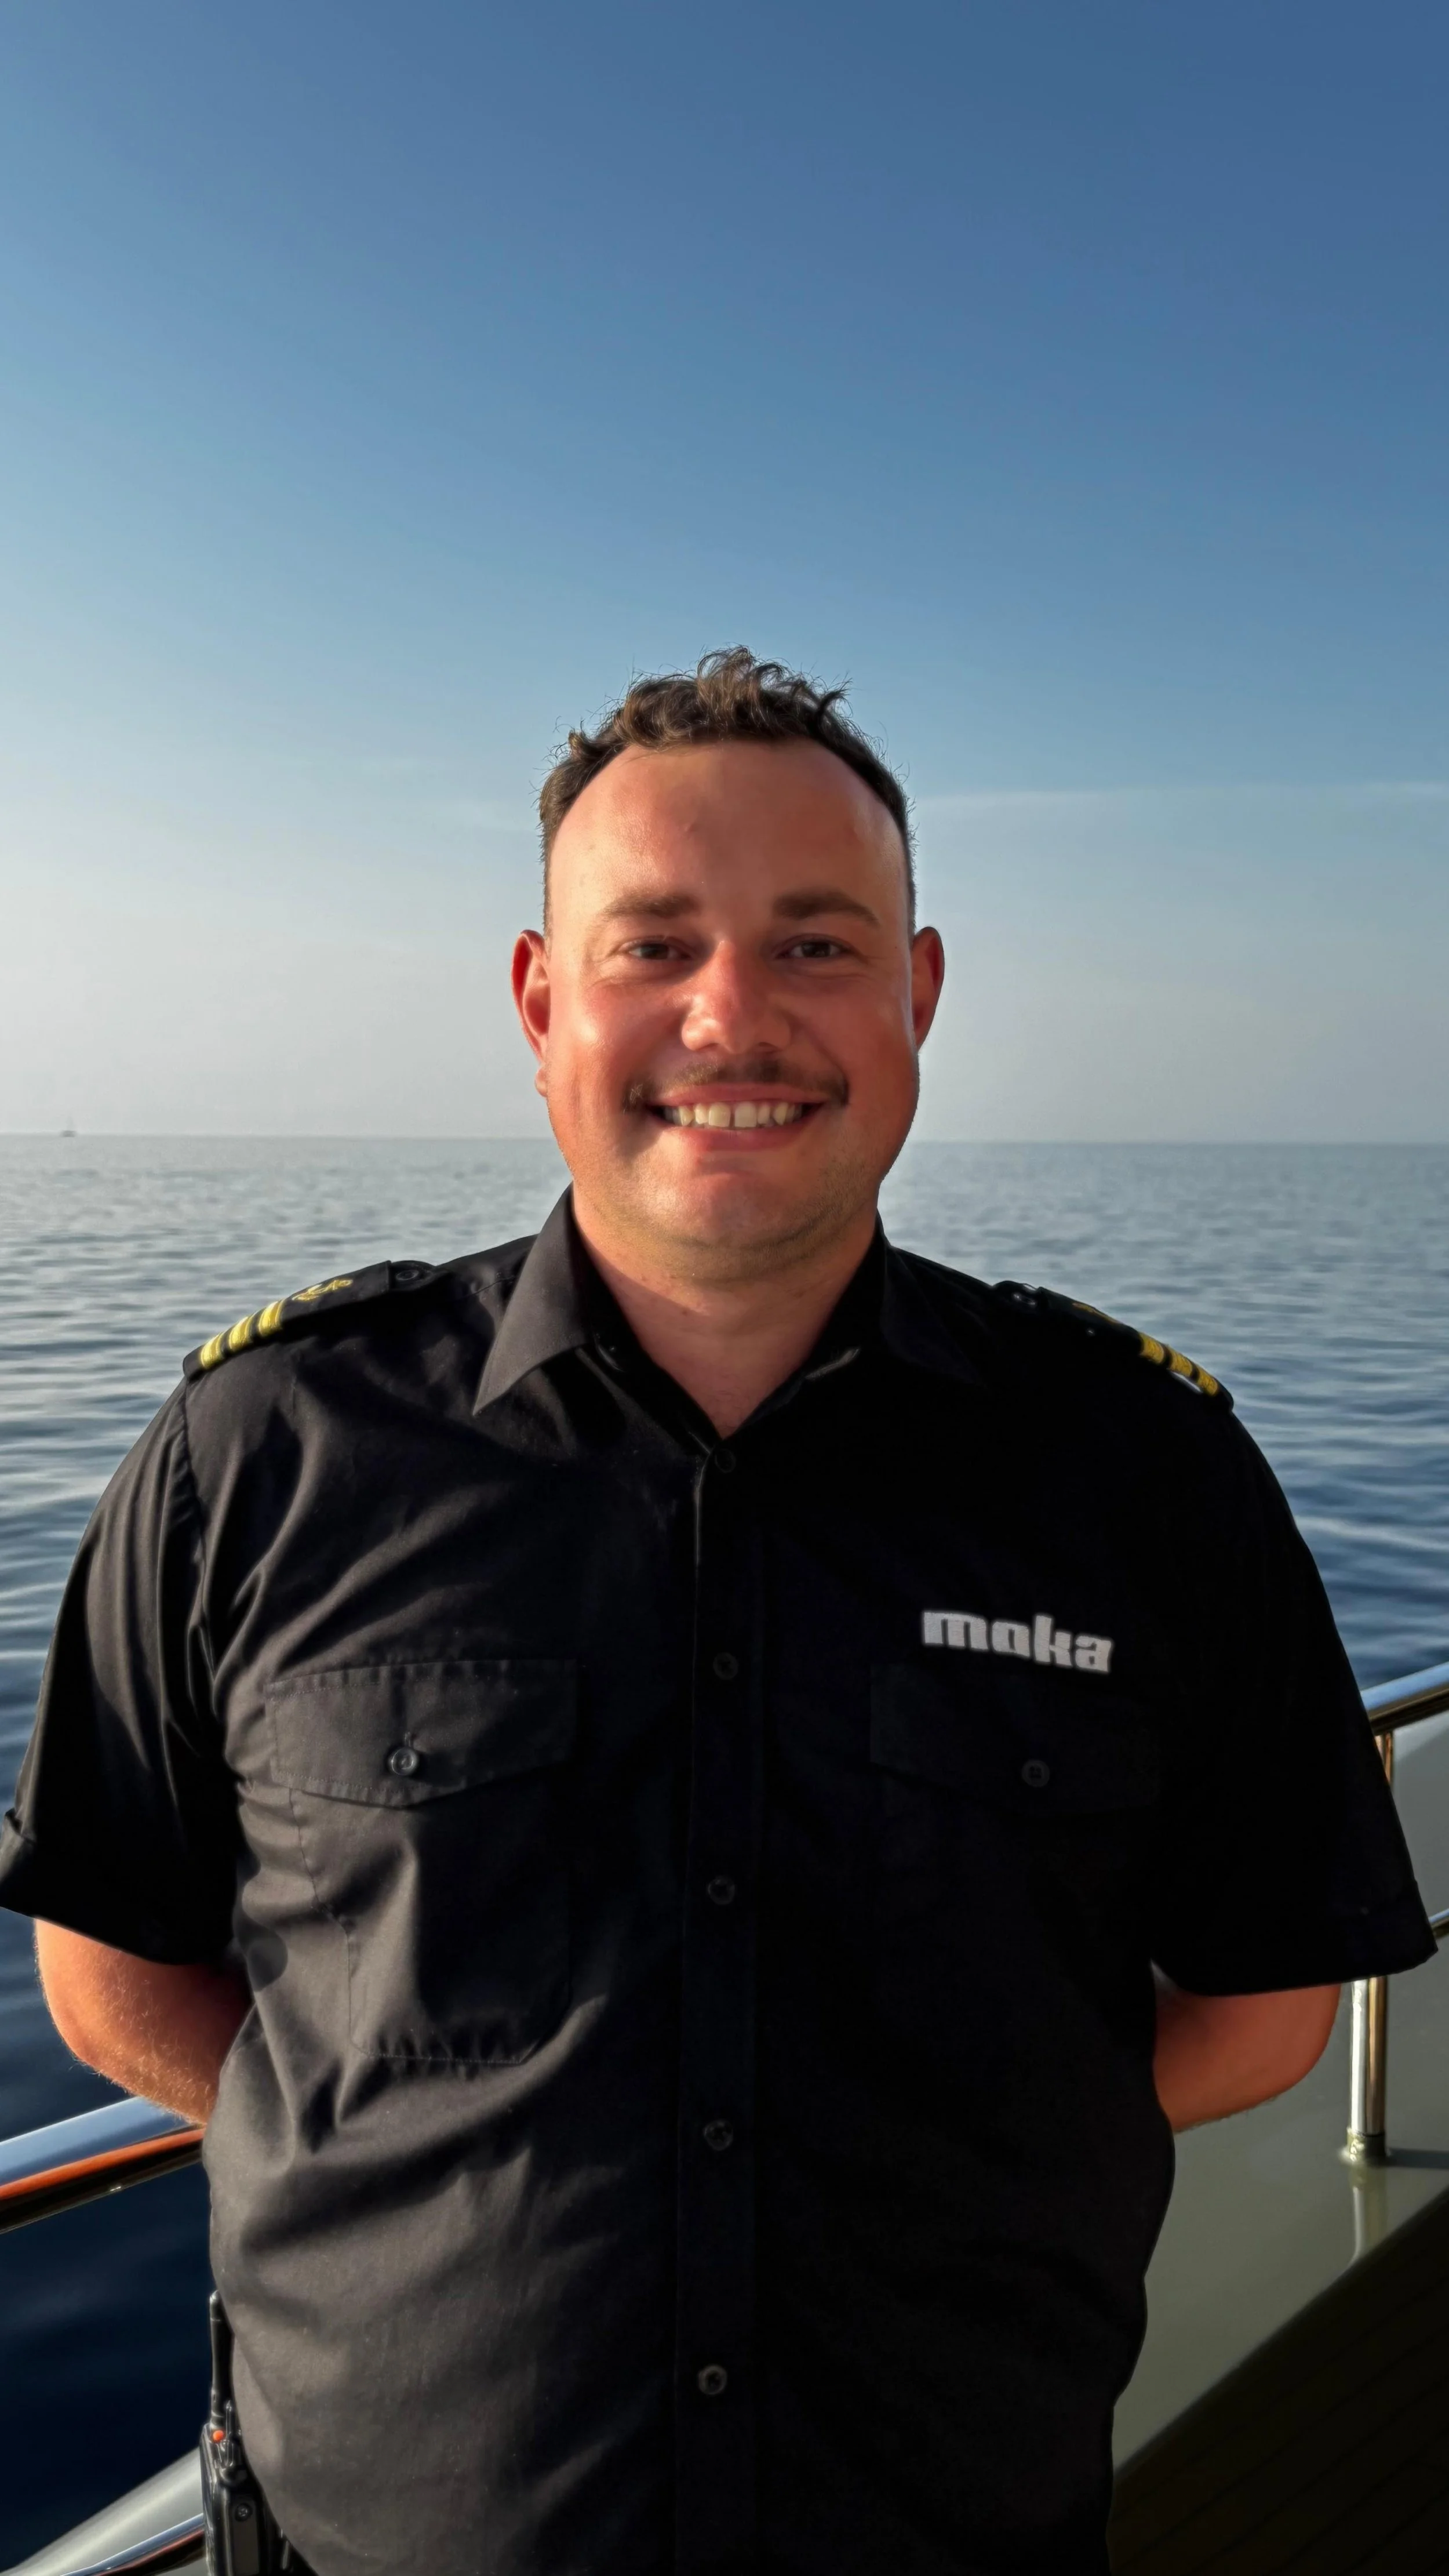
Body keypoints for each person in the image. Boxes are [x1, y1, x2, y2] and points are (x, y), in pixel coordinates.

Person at [0, 649, 1432, 2576]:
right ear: (541, 1002)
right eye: (653, 945)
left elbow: (1262, 2008)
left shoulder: (1146, 1476)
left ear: (919, 995)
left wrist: (957, 2155)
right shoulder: (261, 1450)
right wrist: (386, 2154)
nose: (731, 1014)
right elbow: (111, 1978)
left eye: (816, 944)